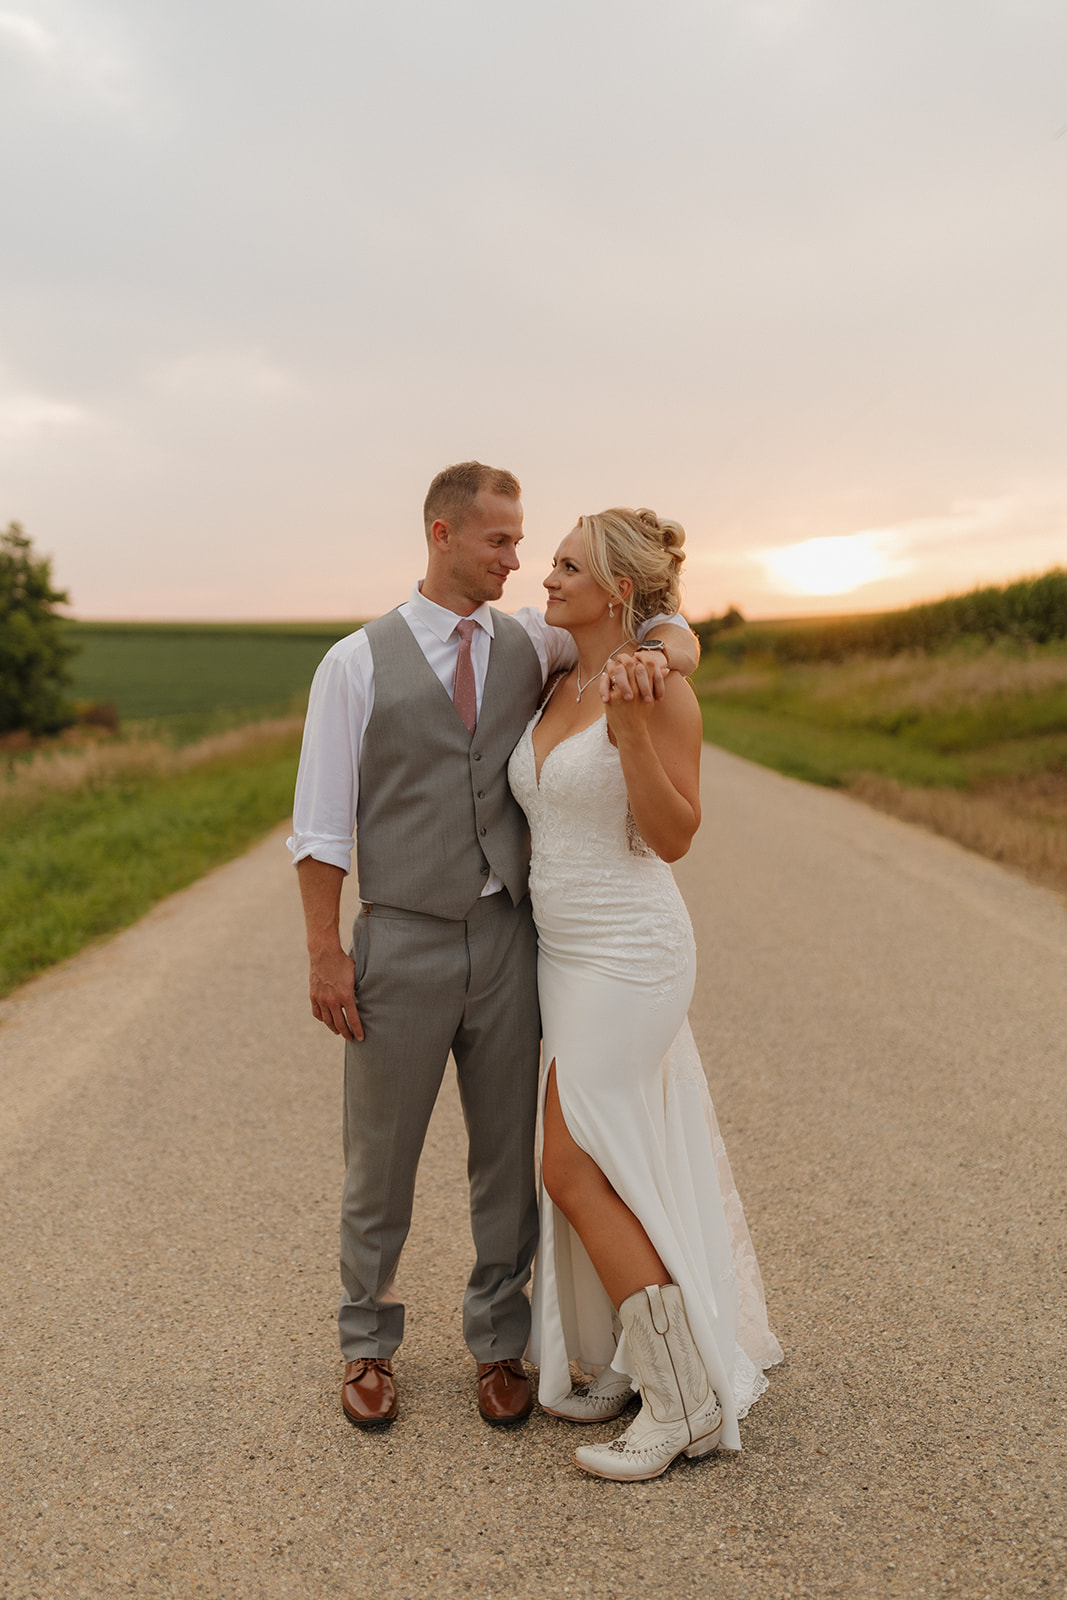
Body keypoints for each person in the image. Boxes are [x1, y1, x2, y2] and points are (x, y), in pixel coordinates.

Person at [287, 463, 699, 1431]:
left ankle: (496, 1343)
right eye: (499, 543)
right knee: (379, 1153)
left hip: (511, 939)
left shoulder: (530, 640)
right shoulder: (353, 662)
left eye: (526, 544)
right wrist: (323, 952)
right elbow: (318, 828)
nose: (518, 561)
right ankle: (366, 1340)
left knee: (506, 1154)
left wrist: (671, 654)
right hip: (399, 940)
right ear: (441, 535)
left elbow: (656, 621)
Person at [507, 506, 782, 1481]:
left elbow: (672, 836)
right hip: (562, 956)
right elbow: (677, 626)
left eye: (566, 565)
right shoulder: (556, 669)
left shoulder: (649, 689)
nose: (545, 576)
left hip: (632, 952)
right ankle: (635, 1361)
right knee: (604, 1159)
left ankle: (682, 1402)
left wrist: (628, 728)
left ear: (615, 590)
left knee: (571, 1164)